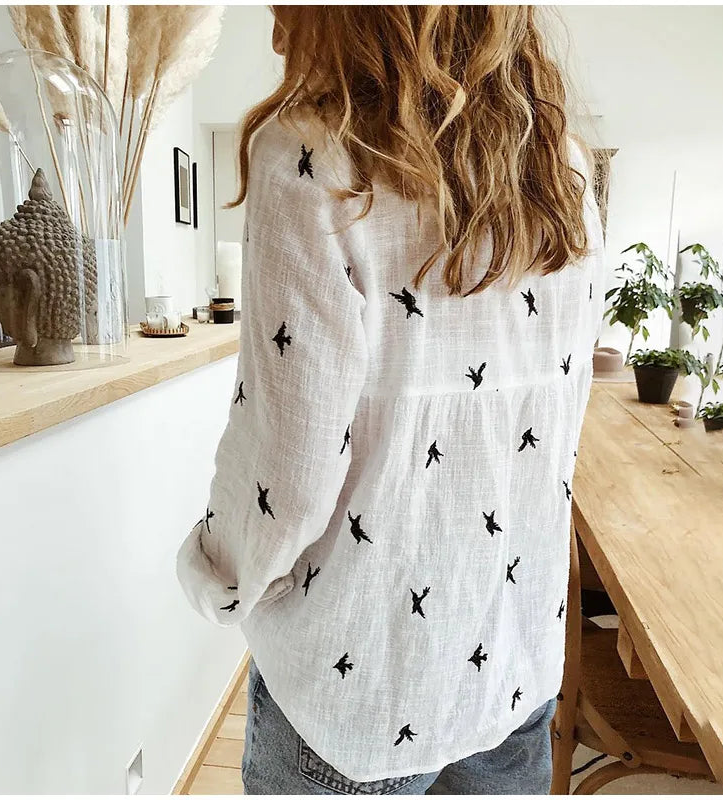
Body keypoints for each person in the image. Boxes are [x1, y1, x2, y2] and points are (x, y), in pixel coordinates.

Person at [178, 5, 604, 794]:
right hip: (509, 673)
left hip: (358, 691)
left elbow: (286, 470)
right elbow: (560, 419)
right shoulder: (562, 169)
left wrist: (214, 572)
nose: (275, 26)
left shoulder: (311, 161)